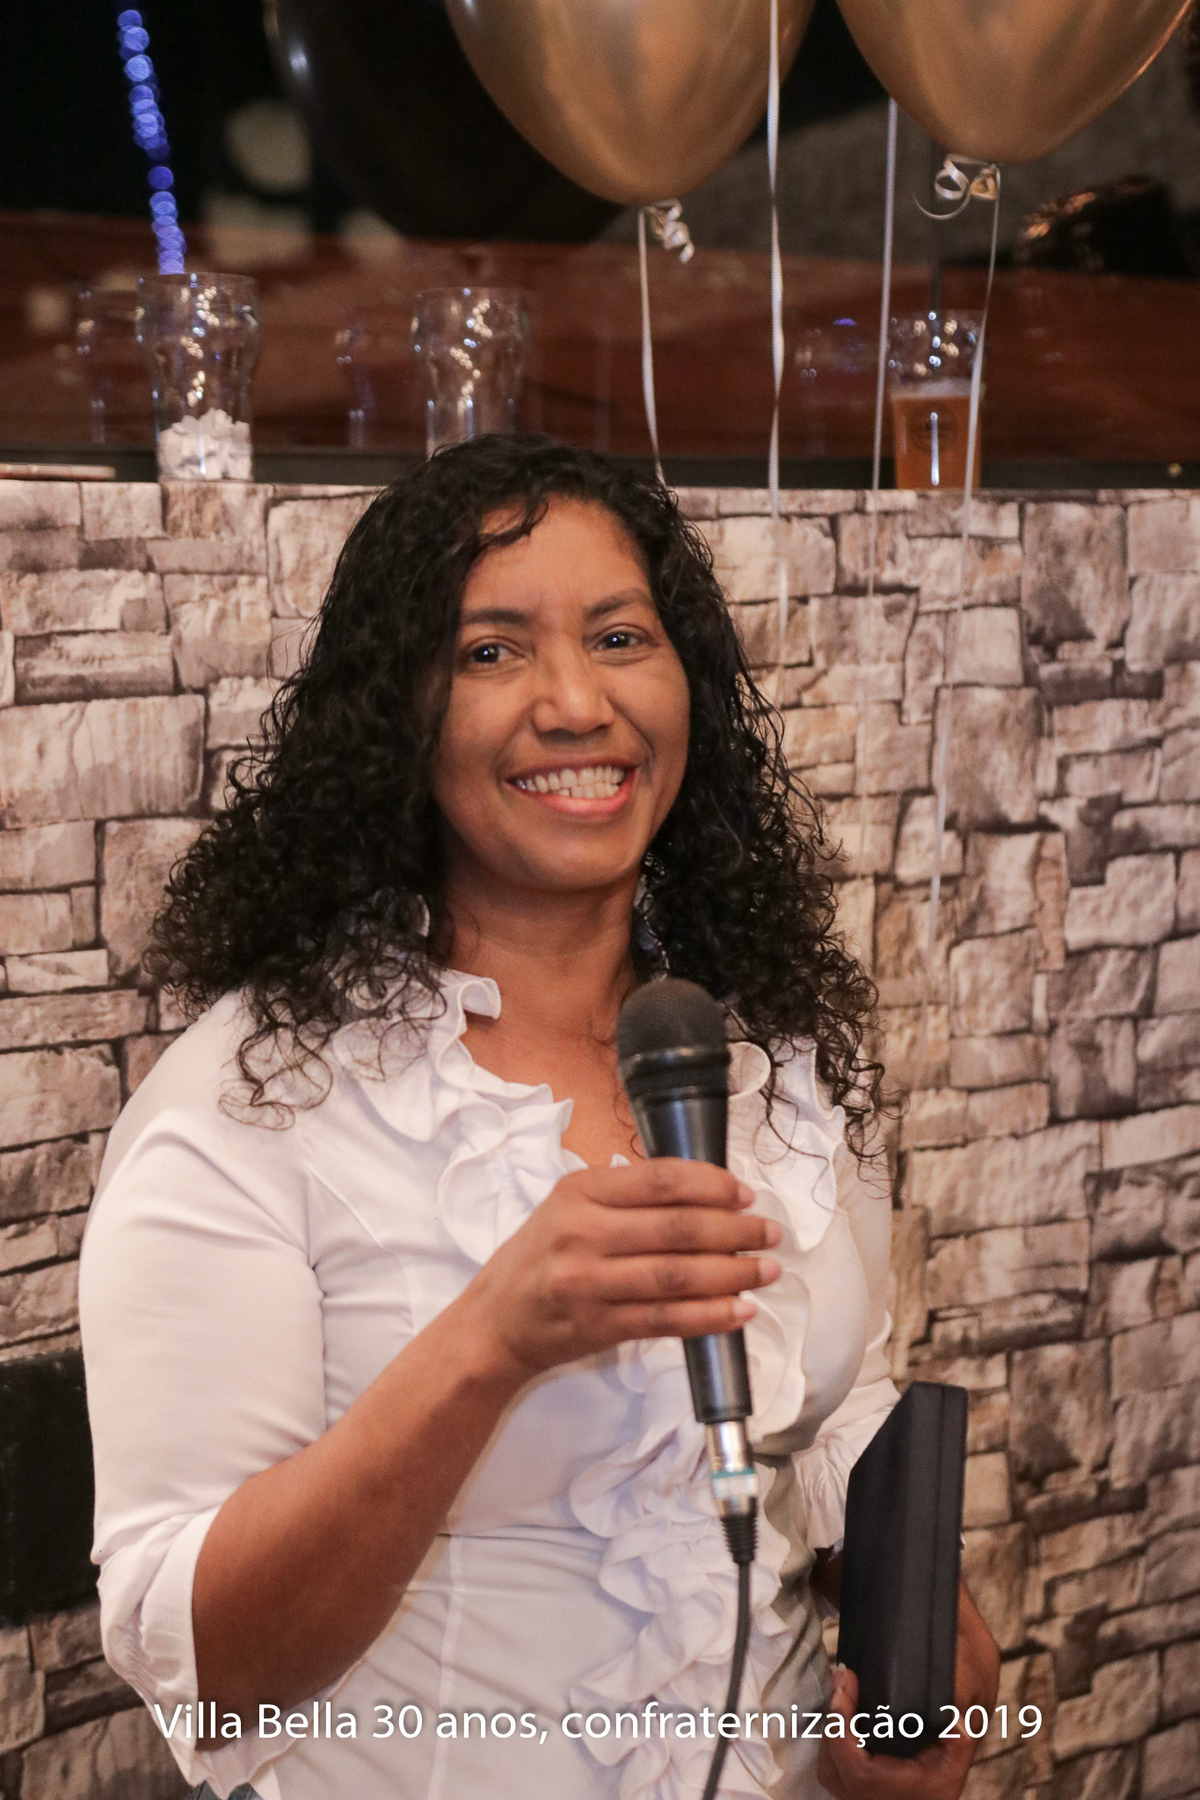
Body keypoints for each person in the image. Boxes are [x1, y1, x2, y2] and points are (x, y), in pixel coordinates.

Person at [79, 436, 998, 1800]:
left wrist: (918, 1655)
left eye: (621, 638)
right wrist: (491, 1342)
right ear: (399, 714)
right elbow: (208, 1666)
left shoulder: (764, 1057)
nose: (577, 703)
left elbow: (832, 1413)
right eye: (492, 652)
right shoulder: (250, 1103)